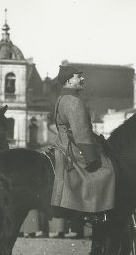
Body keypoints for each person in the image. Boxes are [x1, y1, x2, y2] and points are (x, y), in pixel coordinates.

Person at [50, 65, 116, 222]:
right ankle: (95, 213)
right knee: (107, 170)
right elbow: (81, 132)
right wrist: (90, 157)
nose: (82, 79)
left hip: (64, 142)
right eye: (78, 76)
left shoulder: (62, 98)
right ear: (69, 81)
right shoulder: (74, 101)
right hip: (73, 147)